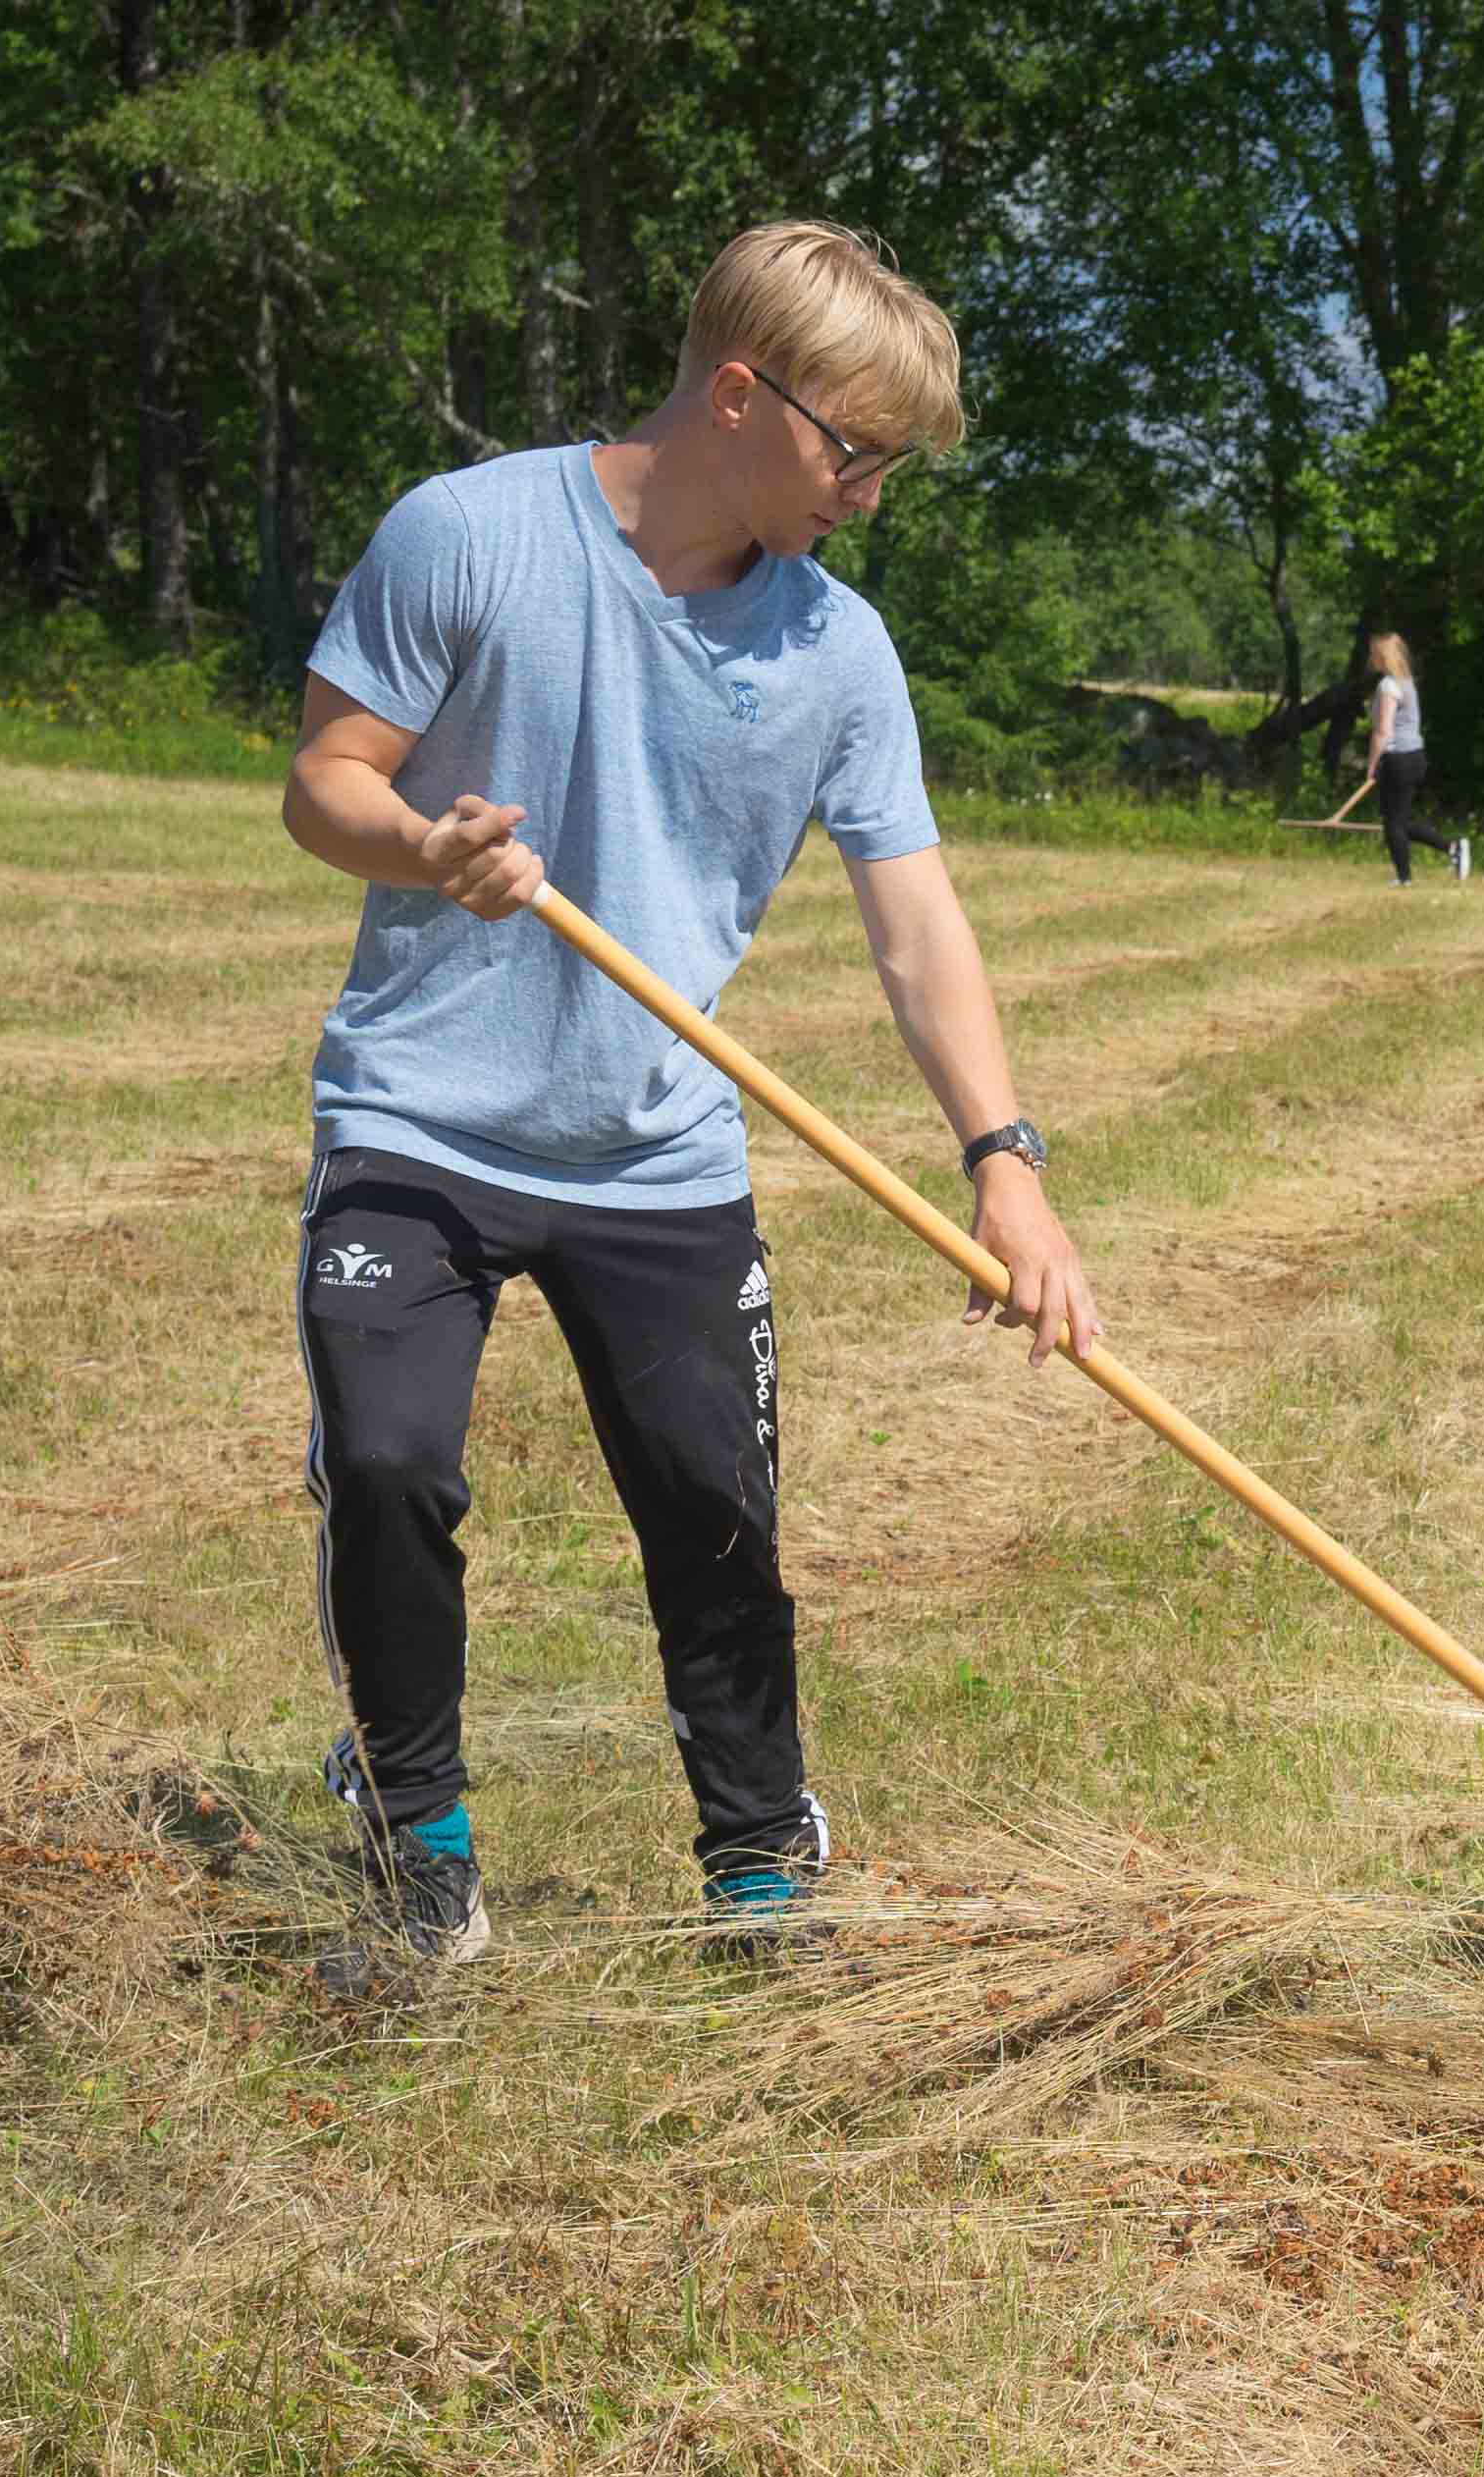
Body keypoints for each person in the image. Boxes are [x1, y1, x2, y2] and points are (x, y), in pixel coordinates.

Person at [279, 219, 1105, 2000]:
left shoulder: (839, 652)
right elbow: (324, 781)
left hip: (656, 1147)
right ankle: (416, 1838)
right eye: (855, 452)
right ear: (741, 395)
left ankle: (756, 1859)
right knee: (390, 1465)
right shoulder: (469, 533)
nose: (871, 496)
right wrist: (423, 844)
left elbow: (913, 924)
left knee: (713, 1513)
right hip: (421, 1118)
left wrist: (1005, 1166)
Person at [1326, 631, 1469, 884]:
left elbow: (1383, 731)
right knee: (1399, 821)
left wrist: (1371, 765)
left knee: (1392, 823)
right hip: (1415, 757)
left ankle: (1405, 878)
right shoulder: (1406, 682)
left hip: (1398, 758)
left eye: (1373, 653)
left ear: (1382, 656)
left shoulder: (1389, 685)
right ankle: (1452, 849)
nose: (1370, 658)